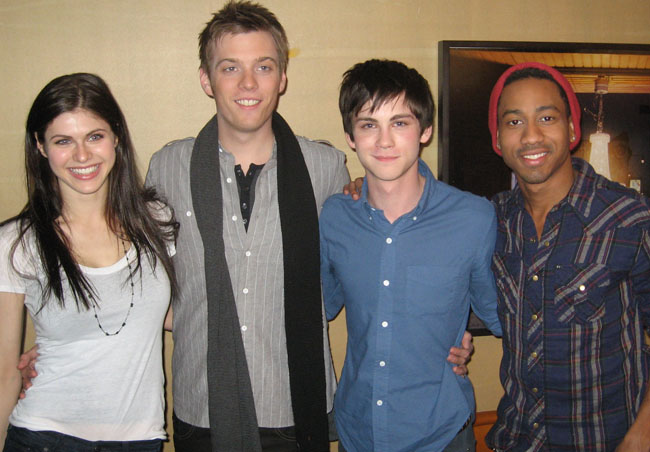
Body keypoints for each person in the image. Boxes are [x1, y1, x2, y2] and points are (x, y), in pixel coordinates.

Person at [321, 59, 502, 452]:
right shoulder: (335, 217)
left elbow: (500, 313)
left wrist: (459, 335)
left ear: (426, 131)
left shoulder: (473, 218)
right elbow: (319, 305)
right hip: (358, 431)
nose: (384, 141)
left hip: (440, 433)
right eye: (369, 124)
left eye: (400, 123)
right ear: (350, 136)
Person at [0, 73, 177, 451]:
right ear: (41, 146)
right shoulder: (17, 242)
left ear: (116, 137)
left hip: (141, 439)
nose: (82, 156)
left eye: (94, 136)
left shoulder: (157, 220)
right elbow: (4, 374)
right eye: (63, 141)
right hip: (44, 436)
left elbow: (178, 316)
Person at [485, 61, 650, 451]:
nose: (531, 136)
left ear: (573, 129)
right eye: (514, 122)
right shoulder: (489, 221)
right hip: (517, 439)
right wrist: (367, 189)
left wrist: (644, 432)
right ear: (497, 139)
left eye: (546, 117)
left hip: (609, 441)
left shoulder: (629, 217)